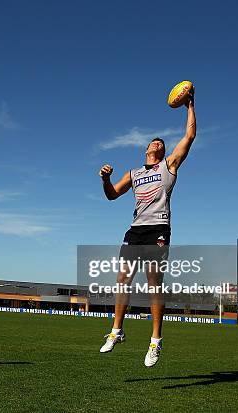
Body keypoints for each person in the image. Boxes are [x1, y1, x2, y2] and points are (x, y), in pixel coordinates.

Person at [98, 90, 196, 367]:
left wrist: (190, 105)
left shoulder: (169, 165)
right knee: (122, 280)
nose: (156, 143)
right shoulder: (134, 173)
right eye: (153, 141)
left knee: (154, 285)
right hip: (135, 230)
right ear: (146, 149)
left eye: (160, 143)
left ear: (163, 151)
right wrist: (106, 179)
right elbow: (112, 195)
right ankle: (116, 332)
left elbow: (189, 137)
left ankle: (155, 342)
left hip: (158, 230)